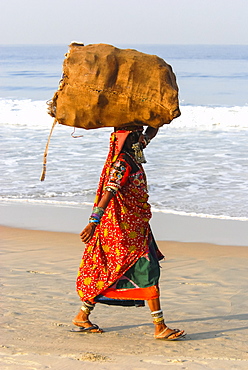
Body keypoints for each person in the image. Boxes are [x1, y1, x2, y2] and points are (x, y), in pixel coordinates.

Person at [72, 126, 185, 340]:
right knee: (148, 270)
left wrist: (158, 119)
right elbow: (109, 191)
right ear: (130, 138)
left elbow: (151, 134)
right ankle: (159, 326)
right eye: (138, 133)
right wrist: (93, 222)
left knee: (114, 271)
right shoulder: (122, 163)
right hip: (124, 231)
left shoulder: (135, 154)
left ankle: (82, 315)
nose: (142, 136)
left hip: (137, 228)